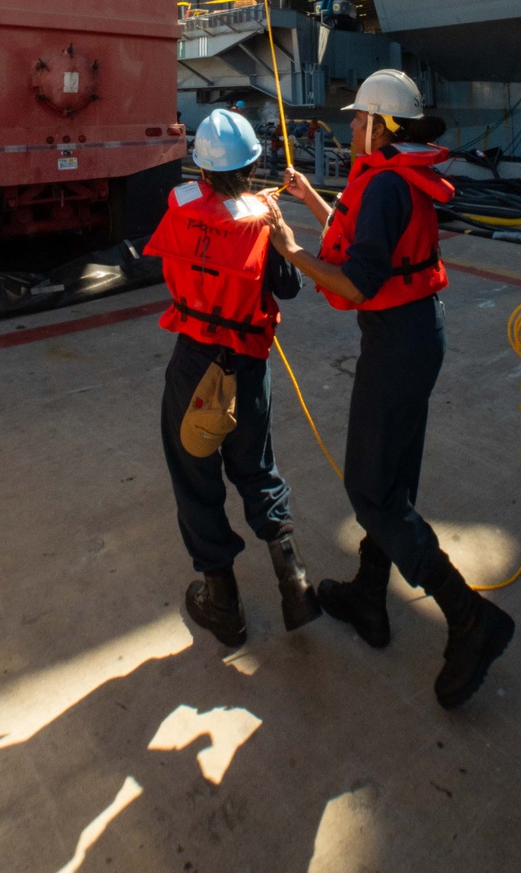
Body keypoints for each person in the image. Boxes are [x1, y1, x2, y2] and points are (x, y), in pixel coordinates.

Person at [265, 70, 515, 711]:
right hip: (416, 333)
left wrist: (291, 251)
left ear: (381, 127)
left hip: (396, 342)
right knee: (392, 481)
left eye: (357, 119)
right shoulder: (396, 177)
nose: (350, 127)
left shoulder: (381, 186)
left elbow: (356, 284)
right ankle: (369, 599)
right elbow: (363, 241)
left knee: (371, 493)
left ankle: (468, 618)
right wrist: (312, 202)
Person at [145, 108, 320, 649]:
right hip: (247, 363)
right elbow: (287, 288)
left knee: (194, 477)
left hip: (194, 362)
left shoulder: (178, 205)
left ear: (200, 169)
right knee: (257, 468)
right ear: (253, 164)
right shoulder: (262, 220)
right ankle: (294, 586)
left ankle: (224, 606)